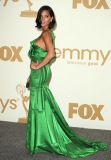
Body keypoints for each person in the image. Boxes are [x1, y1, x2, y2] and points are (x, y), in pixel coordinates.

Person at [25, 5, 107, 158]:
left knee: (39, 106)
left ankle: (45, 139)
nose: (43, 19)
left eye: (46, 16)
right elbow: (44, 56)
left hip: (40, 72)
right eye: (41, 16)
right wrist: (31, 74)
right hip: (38, 73)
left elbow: (51, 54)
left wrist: (37, 67)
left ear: (51, 18)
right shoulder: (44, 33)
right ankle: (40, 139)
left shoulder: (47, 34)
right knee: (40, 105)